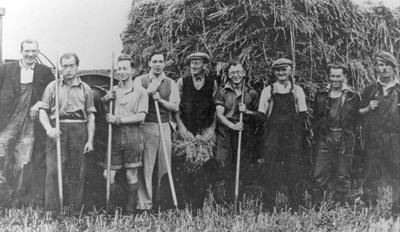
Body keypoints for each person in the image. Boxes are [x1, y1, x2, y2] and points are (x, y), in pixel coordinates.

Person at [39, 53, 96, 212]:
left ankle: (75, 208)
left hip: (79, 129)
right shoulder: (52, 87)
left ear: (77, 67)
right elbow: (42, 111)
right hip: (57, 129)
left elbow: (91, 115)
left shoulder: (86, 89)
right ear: (60, 67)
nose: (68, 69)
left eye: (71, 66)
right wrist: (49, 128)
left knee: (77, 170)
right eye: (64, 66)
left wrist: (90, 139)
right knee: (53, 169)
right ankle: (52, 210)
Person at [0, 39, 54, 206]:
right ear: (21, 51)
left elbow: (54, 93)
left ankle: (17, 199)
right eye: (27, 51)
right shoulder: (6, 69)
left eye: (33, 51)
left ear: (38, 52)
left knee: (23, 158)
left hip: (30, 123)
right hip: (7, 120)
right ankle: (3, 196)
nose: (30, 54)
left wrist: (39, 104)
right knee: (2, 151)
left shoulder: (44, 72)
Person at [101, 54, 148, 213]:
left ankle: (130, 211)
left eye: (124, 68)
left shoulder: (141, 92)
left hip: (133, 136)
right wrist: (106, 100)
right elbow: (107, 115)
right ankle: (111, 208)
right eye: (119, 68)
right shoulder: (114, 90)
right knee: (109, 174)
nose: (121, 72)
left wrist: (119, 119)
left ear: (132, 70)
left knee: (131, 175)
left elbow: (141, 116)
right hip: (114, 136)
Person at [258, 58, 307, 208]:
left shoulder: (297, 90)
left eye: (284, 69)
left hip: (291, 136)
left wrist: (295, 133)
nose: (281, 73)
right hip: (274, 136)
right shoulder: (268, 91)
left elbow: (303, 114)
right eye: (278, 70)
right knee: (270, 169)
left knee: (293, 169)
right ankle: (268, 205)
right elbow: (261, 114)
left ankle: (295, 204)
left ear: (290, 70)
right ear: (274, 72)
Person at [134, 50, 180, 211]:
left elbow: (175, 106)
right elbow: (136, 100)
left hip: (165, 126)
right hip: (147, 126)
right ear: (149, 63)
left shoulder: (170, 82)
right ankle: (145, 203)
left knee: (164, 165)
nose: (158, 65)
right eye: (155, 61)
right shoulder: (140, 80)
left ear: (165, 63)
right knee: (146, 166)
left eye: (161, 61)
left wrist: (159, 100)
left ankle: (163, 201)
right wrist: (149, 91)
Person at [311, 63, 360, 206]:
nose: (335, 79)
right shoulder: (321, 94)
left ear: (344, 77)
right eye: (332, 76)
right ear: (329, 76)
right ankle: (317, 205)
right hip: (325, 137)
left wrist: (348, 134)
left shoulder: (352, 95)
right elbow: (316, 117)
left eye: (338, 76)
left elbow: (356, 119)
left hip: (344, 138)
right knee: (319, 173)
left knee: (342, 173)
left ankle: (340, 204)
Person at [360, 51, 400, 215]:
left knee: (396, 173)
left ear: (393, 68)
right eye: (380, 65)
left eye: (387, 66)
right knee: (371, 173)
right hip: (374, 137)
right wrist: (368, 108)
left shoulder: (399, 89)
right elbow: (358, 112)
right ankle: (369, 205)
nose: (383, 69)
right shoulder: (370, 89)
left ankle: (397, 208)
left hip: (395, 138)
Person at [214, 61, 259, 202]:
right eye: (232, 73)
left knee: (241, 165)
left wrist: (247, 111)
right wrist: (232, 126)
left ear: (244, 73)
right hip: (226, 131)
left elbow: (259, 114)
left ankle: (237, 199)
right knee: (223, 163)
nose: (236, 75)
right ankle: (221, 200)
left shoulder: (252, 92)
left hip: (244, 131)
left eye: (238, 72)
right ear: (228, 75)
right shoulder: (222, 92)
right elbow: (219, 115)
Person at [175, 52, 218, 140]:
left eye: (196, 63)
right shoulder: (181, 82)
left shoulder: (213, 84)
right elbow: (175, 107)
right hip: (186, 130)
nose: (193, 66)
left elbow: (216, 109)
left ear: (205, 66)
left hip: (205, 132)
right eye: (191, 63)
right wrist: (180, 127)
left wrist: (212, 128)